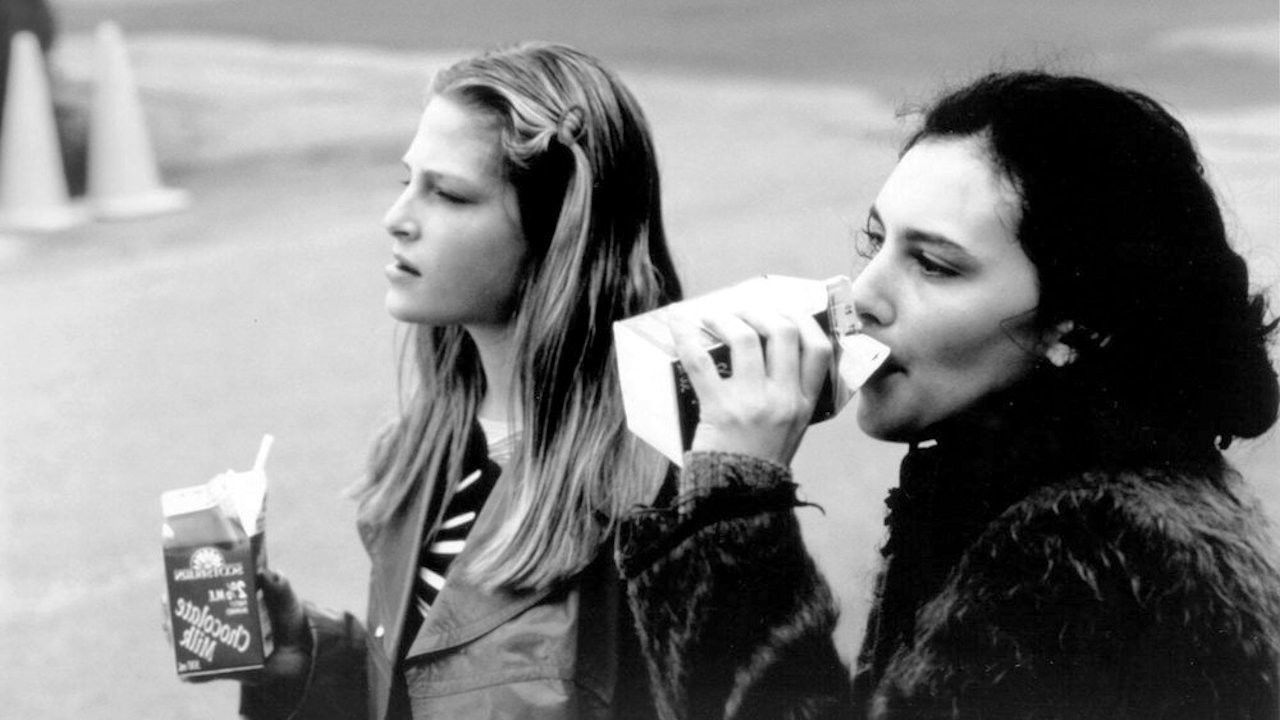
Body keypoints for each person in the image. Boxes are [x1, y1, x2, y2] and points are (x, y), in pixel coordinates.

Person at [617, 71, 1280, 719]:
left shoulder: (1085, 547)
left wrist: (731, 508)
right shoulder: (1071, 497)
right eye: (875, 242)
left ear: (1076, 328)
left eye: (934, 265)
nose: (863, 296)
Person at [235, 42, 681, 719]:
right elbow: (423, 691)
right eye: (407, 180)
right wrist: (304, 657)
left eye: (446, 193)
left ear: (557, 234)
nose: (397, 218)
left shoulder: (655, 491)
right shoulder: (426, 446)